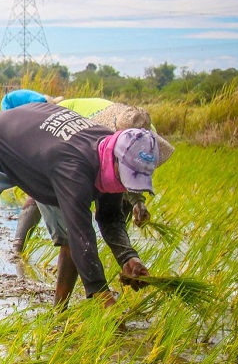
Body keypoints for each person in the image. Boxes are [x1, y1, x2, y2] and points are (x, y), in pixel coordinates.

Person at [0, 102, 157, 306]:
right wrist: (103, 297)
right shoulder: (74, 168)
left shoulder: (112, 153)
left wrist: (129, 258)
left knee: (66, 236)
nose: (125, 183)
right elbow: (82, 236)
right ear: (116, 160)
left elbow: (110, 217)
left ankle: (59, 314)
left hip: (39, 160)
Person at [10, 97, 173, 252]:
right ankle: (18, 246)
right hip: (57, 122)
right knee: (46, 186)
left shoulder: (144, 134)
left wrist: (138, 201)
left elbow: (132, 170)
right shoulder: (93, 131)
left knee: (115, 203)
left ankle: (120, 254)